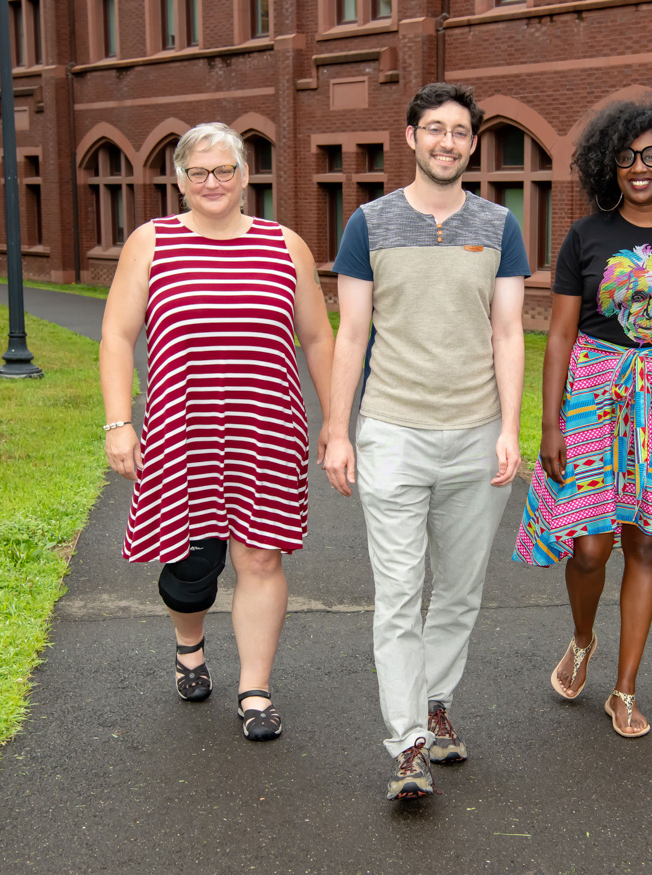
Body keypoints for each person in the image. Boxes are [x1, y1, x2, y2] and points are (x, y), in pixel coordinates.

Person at [324, 83, 529, 800]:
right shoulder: (369, 224)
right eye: (434, 129)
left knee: (460, 592)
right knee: (400, 592)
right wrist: (338, 430)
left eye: (461, 132)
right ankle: (408, 742)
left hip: (474, 434)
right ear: (410, 137)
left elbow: (508, 331)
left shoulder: (499, 224)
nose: (448, 142)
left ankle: (437, 701)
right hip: (392, 432)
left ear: (473, 143)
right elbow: (352, 334)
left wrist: (509, 427)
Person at [99, 122, 334, 742]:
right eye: (199, 172)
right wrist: (119, 422)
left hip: (268, 429)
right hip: (181, 431)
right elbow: (118, 336)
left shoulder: (285, 245)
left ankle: (254, 689)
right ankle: (189, 645)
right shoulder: (151, 243)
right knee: (191, 567)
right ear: (179, 180)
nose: (212, 182)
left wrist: (337, 424)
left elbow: (318, 338)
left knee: (260, 556)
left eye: (224, 170)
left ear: (245, 177)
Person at [513, 98, 652, 738]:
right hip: (592, 392)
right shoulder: (586, 235)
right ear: (610, 165)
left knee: (647, 540)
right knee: (589, 545)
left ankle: (625, 690)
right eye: (626, 156)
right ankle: (583, 638)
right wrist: (549, 424)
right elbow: (557, 337)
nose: (639, 167)